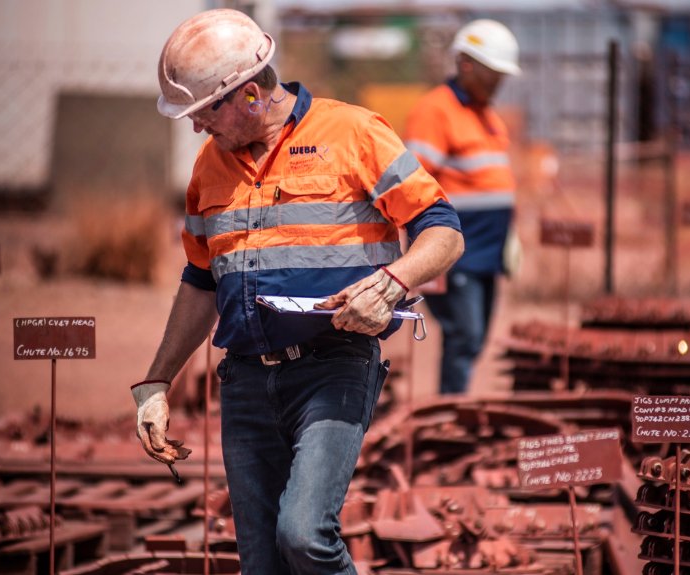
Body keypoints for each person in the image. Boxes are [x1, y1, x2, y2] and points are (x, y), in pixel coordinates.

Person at [130, 9, 463, 574]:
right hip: (245, 384)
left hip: (332, 369)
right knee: (262, 562)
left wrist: (390, 284)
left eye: (205, 110)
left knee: (305, 535)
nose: (195, 127)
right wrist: (156, 382)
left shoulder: (354, 133)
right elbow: (200, 281)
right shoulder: (208, 167)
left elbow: (443, 231)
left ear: (252, 94)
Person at [403, 19, 521, 395]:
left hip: (488, 250)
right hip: (457, 252)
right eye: (493, 73)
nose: (499, 82)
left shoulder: (487, 115)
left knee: (477, 337)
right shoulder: (435, 111)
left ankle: (453, 409)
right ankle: (448, 415)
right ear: (466, 64)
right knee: (464, 335)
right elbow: (412, 187)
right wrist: (424, 251)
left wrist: (510, 234)